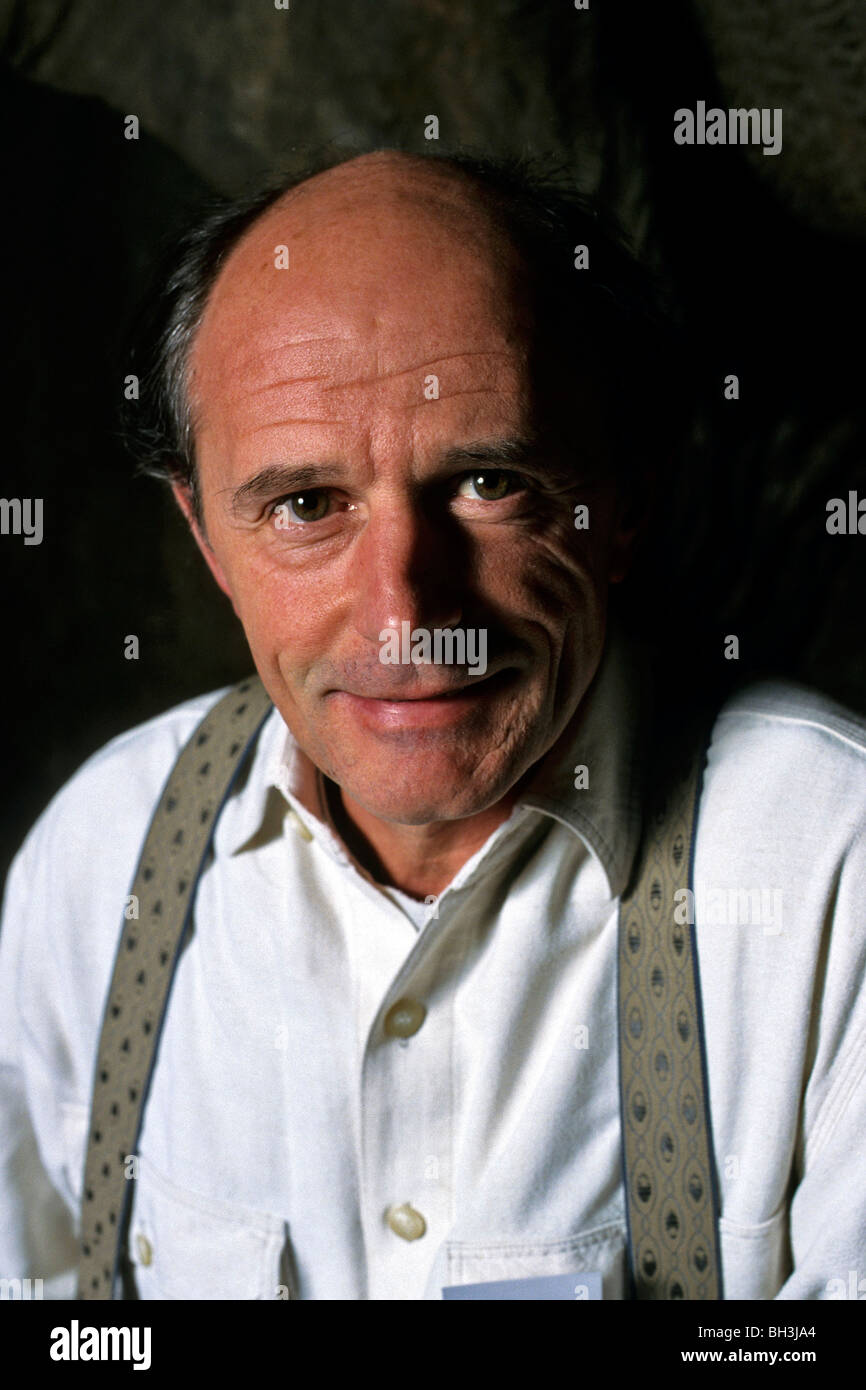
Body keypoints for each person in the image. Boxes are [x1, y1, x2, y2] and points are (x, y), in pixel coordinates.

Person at [1, 149, 863, 1301]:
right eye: (305, 505)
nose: (407, 614)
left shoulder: (829, 863)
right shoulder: (100, 853)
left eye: (487, 482)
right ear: (206, 536)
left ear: (624, 498)